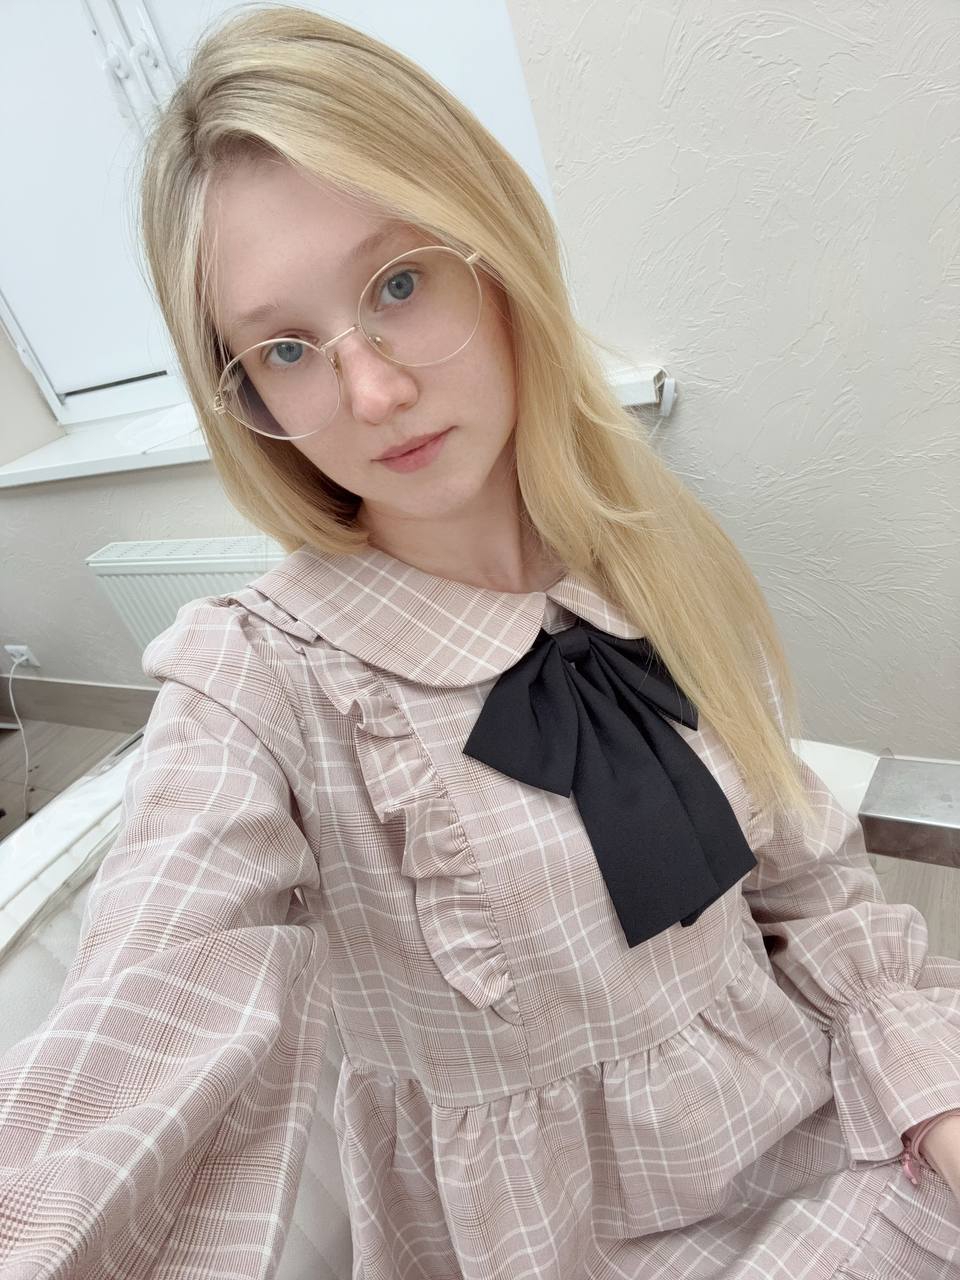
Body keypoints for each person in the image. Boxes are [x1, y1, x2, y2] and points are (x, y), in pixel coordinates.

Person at [2, 6, 959, 1277]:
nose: (374, 392)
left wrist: (932, 1093)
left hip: (837, 1135)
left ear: (495, 256)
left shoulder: (645, 556)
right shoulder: (258, 680)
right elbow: (133, 1029)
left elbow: (803, 882)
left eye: (400, 283)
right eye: (286, 348)